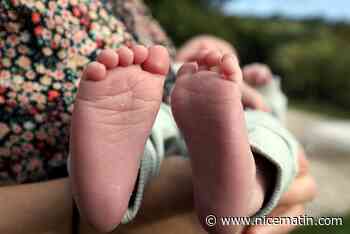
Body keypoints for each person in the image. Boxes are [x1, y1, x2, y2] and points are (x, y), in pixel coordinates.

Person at [0, 1, 316, 234]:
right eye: (198, 51)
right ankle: (241, 195)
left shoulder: (236, 89)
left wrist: (255, 81)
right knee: (148, 131)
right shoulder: (170, 83)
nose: (207, 58)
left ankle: (242, 184)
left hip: (232, 122)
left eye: (220, 54)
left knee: (264, 128)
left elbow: (271, 97)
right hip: (164, 116)